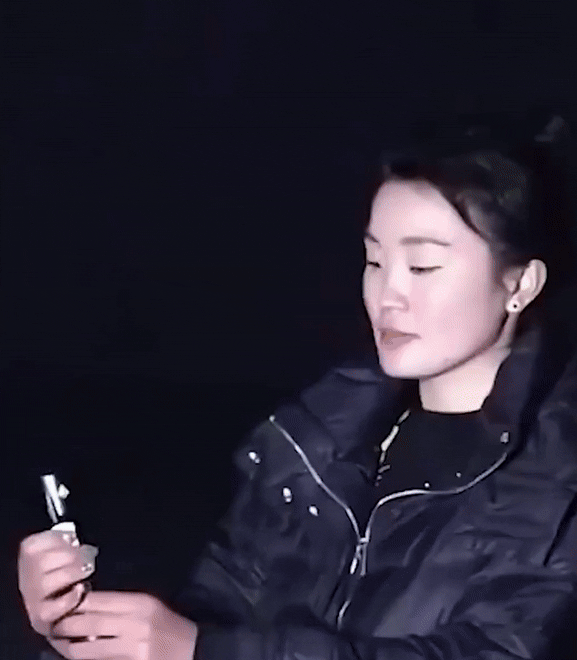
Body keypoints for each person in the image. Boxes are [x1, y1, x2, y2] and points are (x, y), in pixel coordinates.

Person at [17, 111, 577, 660]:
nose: (388, 295)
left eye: (423, 266)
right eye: (374, 261)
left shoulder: (555, 477)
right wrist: (90, 623)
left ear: (520, 284)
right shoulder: (321, 437)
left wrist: (204, 650)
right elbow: (216, 611)